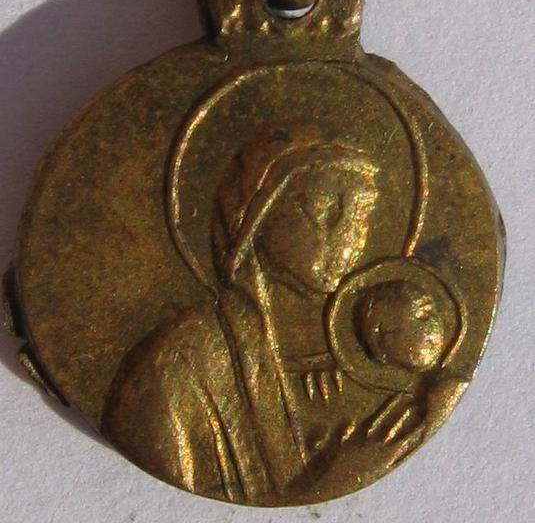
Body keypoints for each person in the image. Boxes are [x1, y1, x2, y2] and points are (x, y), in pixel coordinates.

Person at [103, 127, 464, 505]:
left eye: (360, 214)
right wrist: (331, 482)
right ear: (255, 217)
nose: (347, 235)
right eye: (323, 208)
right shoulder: (179, 365)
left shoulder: (381, 344)